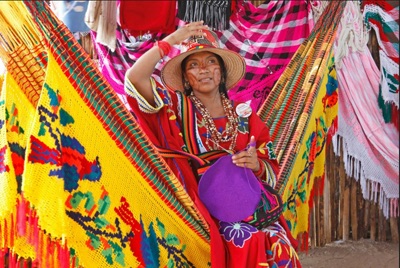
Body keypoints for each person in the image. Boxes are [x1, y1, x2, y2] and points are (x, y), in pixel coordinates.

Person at [125, 21, 301, 268]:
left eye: (211, 63)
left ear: (221, 73)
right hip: (199, 208)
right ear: (186, 77)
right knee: (245, 239)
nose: (204, 70)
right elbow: (134, 78)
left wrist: (257, 165)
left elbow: (270, 168)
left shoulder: (245, 116)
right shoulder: (175, 109)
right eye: (194, 65)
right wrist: (171, 41)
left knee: (277, 241)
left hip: (247, 205)